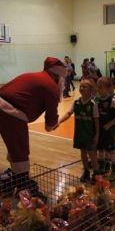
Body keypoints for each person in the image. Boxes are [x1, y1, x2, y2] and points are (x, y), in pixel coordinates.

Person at [0, 57, 67, 193]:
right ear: (59, 76)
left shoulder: (32, 75)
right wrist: (55, 123)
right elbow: (49, 126)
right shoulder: (51, 87)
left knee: (15, 147)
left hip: (4, 107)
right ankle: (23, 187)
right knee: (20, 151)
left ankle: (14, 178)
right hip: (11, 113)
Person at [57, 79, 100, 184]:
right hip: (79, 132)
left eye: (84, 86)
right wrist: (59, 121)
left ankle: (97, 173)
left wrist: (97, 134)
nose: (81, 88)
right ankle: (86, 171)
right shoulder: (76, 102)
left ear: (91, 89)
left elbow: (96, 120)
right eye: (80, 86)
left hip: (89, 133)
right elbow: (68, 113)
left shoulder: (93, 103)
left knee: (92, 153)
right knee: (83, 152)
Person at [96, 77, 115, 181]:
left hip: (109, 131)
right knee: (101, 148)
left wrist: (109, 124)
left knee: (111, 150)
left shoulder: (111, 100)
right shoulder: (97, 99)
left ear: (107, 89)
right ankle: (102, 167)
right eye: (97, 87)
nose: (98, 89)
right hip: (100, 130)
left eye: (100, 87)